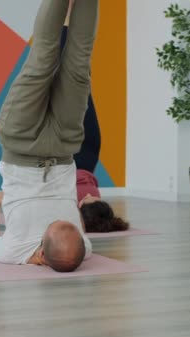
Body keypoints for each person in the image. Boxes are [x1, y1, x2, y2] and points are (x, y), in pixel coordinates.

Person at [0, 0, 98, 272]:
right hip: (63, 146)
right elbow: (77, 223)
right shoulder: (81, 248)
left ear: (41, 253)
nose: (60, 220)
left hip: (21, 141)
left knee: (43, 59)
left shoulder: (16, 249)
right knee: (79, 64)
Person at [58, 16, 129, 233]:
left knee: (61, 76)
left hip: (68, 156)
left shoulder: (69, 207)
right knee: (82, 83)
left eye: (87, 199)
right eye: (94, 198)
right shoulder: (98, 211)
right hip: (88, 152)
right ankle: (72, 19)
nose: (90, 195)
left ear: (79, 210)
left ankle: (64, 21)